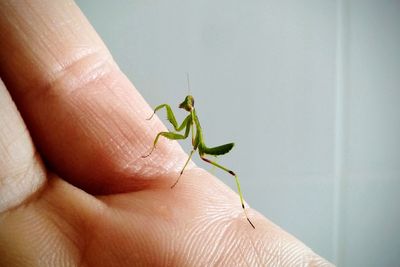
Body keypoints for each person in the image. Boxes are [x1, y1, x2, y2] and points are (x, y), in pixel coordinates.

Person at [0, 1, 332, 266]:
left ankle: (246, 213)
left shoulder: (194, 133)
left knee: (223, 167)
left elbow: (193, 150)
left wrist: (179, 172)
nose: (184, 107)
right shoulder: (186, 119)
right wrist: (155, 120)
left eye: (187, 105)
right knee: (163, 135)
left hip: (210, 150)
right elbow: (174, 132)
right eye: (186, 104)